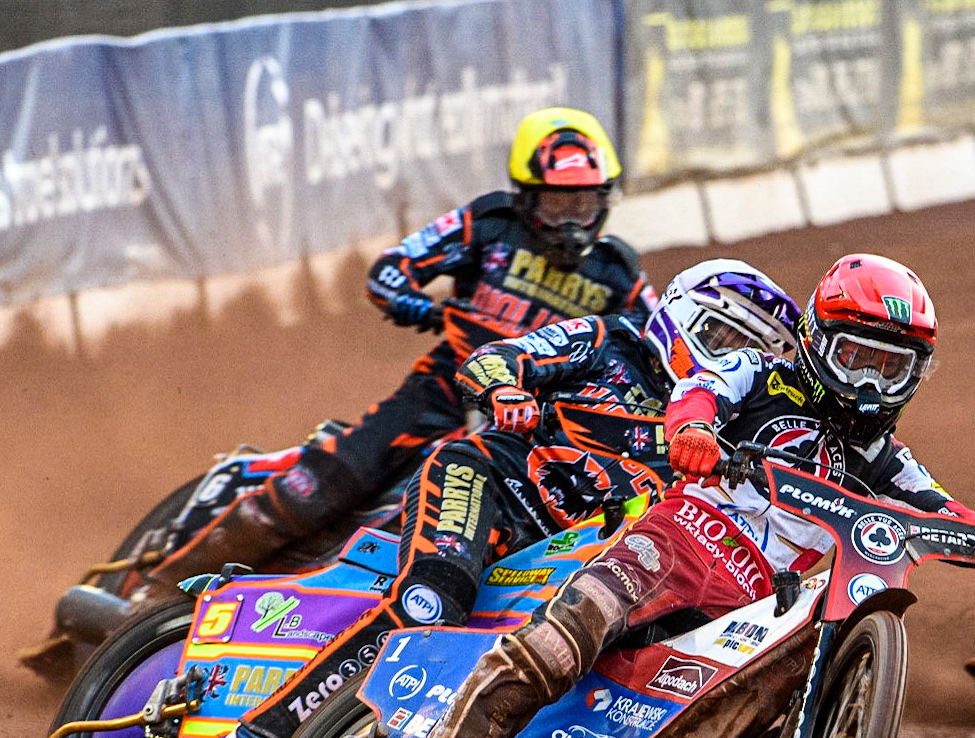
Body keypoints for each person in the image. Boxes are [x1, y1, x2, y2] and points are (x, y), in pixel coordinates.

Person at [370, 253, 975, 738]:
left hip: (755, 604)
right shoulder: (755, 372)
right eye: (855, 357)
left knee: (780, 700)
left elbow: (937, 506)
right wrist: (693, 432)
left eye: (889, 369)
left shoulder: (883, 456)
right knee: (555, 647)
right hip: (675, 544)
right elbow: (698, 394)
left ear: (915, 376)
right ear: (817, 339)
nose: (865, 384)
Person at [203, 261, 802, 738]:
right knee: (430, 604)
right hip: (490, 484)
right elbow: (492, 357)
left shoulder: (725, 430)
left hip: (567, 554)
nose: (727, 357)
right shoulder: (607, 339)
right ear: (681, 317)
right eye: (722, 336)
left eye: (747, 350)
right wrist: (507, 386)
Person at [147, 107, 654, 588]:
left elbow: (662, 341)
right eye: (557, 202)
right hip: (440, 394)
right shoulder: (490, 224)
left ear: (605, 200)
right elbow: (392, 269)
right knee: (325, 488)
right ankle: (161, 589)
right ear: (524, 197)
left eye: (583, 203)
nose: (570, 220)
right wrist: (418, 306)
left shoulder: (618, 271)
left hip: (528, 421)